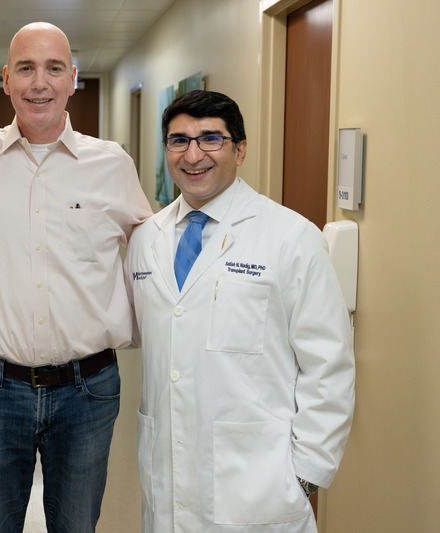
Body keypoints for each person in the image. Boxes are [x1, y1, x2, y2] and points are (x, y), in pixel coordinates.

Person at [0, 21, 152, 533]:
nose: (41, 83)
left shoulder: (111, 164)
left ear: (73, 78)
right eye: (27, 69)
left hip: (87, 390)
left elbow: (153, 256)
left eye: (54, 68)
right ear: (7, 78)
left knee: (77, 524)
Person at [124, 89, 355, 532]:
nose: (193, 155)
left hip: (261, 490)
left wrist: (306, 473)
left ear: (240, 150)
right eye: (178, 140)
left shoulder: (291, 238)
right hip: (167, 483)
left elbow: (329, 365)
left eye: (211, 139)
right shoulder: (145, 240)